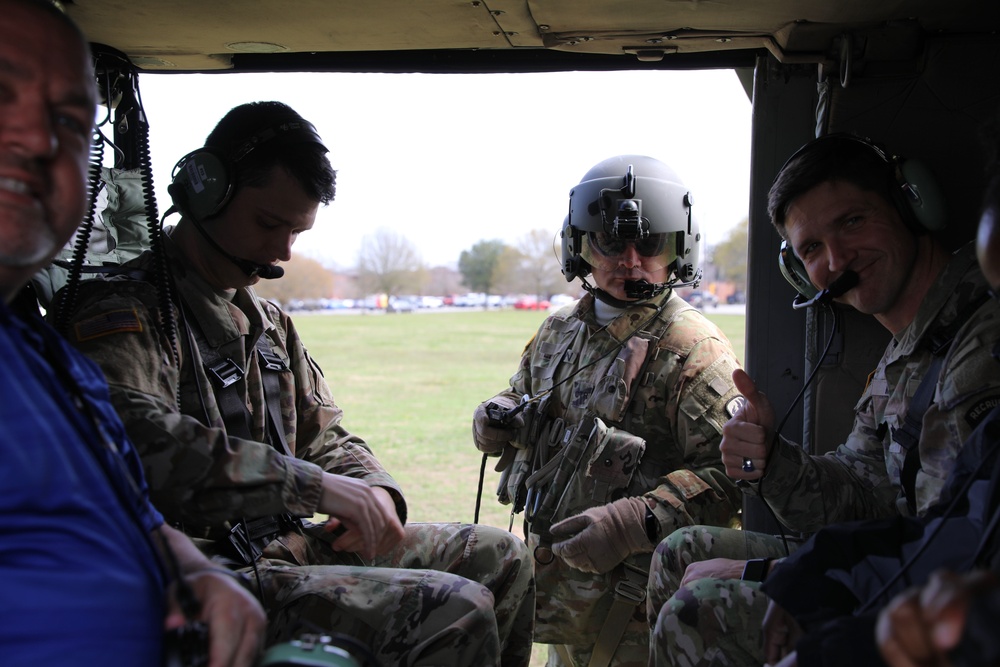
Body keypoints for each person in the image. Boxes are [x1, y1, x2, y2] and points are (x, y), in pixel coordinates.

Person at [55, 100, 535, 666]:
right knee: (456, 608)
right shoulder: (125, 309)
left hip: (286, 547)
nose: (283, 252)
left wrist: (378, 491)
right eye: (267, 224)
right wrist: (314, 488)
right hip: (204, 572)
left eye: (296, 232)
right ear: (206, 195)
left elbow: (325, 435)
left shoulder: (268, 323)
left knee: (503, 557)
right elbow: (136, 438)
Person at [646, 133, 1000, 666]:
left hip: (944, 604)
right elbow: (859, 498)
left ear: (911, 204)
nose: (836, 258)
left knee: (699, 608)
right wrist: (769, 459)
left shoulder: (976, 345)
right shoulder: (906, 352)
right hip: (903, 568)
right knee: (682, 551)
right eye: (812, 248)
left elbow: (955, 552)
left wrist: (777, 575)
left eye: (854, 221)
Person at [0, 1, 266, 664]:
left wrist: (194, 571)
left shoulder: (51, 363)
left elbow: (135, 512)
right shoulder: (121, 315)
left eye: (67, 122)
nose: (38, 141)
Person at [473, 155, 744, 666]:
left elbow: (735, 476)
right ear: (580, 246)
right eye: (610, 243)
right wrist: (497, 417)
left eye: (651, 244)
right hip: (560, 598)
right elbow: (522, 394)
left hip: (636, 614)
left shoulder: (693, 348)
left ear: (679, 250)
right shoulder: (557, 331)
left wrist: (633, 521)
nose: (630, 261)